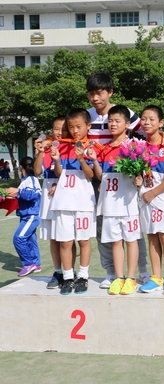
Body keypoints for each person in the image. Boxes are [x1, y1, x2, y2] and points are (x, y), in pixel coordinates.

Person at [86, 72, 159, 288]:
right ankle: (111, 273)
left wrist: (162, 136)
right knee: (104, 229)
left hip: (125, 178)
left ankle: (142, 271)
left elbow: (148, 130)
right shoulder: (87, 116)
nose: (95, 98)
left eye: (100, 93)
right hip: (99, 177)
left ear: (110, 92)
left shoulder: (124, 113)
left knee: (132, 229)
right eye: (91, 94)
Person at [92, 105, 142, 295]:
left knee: (131, 241)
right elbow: (100, 175)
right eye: (110, 121)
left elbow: (140, 173)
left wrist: (139, 177)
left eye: (117, 121)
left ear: (127, 124)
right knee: (115, 241)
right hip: (110, 203)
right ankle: (118, 278)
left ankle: (131, 278)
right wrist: (95, 160)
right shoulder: (104, 149)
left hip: (128, 204)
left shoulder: (133, 147)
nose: (112, 124)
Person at [50, 108, 99, 295]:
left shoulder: (91, 147)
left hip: (83, 202)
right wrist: (56, 161)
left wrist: (82, 159)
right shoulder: (62, 146)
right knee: (65, 242)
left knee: (84, 241)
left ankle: (83, 276)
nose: (75, 130)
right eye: (71, 127)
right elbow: (59, 174)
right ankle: (68, 276)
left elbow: (91, 175)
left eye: (79, 126)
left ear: (88, 126)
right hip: (63, 201)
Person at [137, 106, 164, 294]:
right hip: (144, 199)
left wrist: (152, 193)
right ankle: (156, 277)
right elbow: (137, 173)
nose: (147, 123)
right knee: (152, 237)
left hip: (161, 198)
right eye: (144, 119)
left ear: (161, 123)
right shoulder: (139, 147)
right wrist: (136, 180)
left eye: (152, 119)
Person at [33, 117, 75, 289]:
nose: (60, 132)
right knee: (53, 238)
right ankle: (58, 271)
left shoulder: (71, 148)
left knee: (67, 238)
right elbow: (36, 171)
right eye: (57, 129)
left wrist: (59, 185)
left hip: (66, 194)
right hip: (48, 197)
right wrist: (40, 152)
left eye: (64, 129)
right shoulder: (47, 147)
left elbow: (69, 174)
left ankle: (69, 272)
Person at [7, 157, 42, 277]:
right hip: (27, 214)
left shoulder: (31, 179)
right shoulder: (27, 179)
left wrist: (18, 191)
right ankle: (36, 264)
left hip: (31, 215)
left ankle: (28, 264)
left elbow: (31, 195)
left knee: (18, 238)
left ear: (21, 167)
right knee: (30, 240)